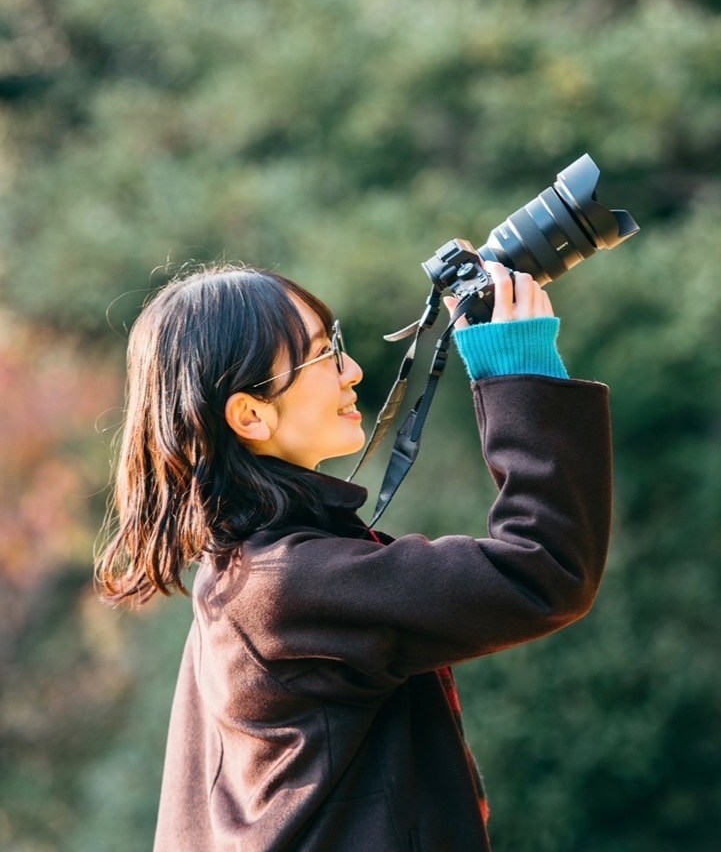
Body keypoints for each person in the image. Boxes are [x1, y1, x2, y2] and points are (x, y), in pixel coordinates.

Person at [96, 258, 612, 852]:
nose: (353, 370)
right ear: (251, 415)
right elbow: (545, 571)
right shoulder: (285, 585)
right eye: (324, 355)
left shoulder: (243, 574)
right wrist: (521, 370)